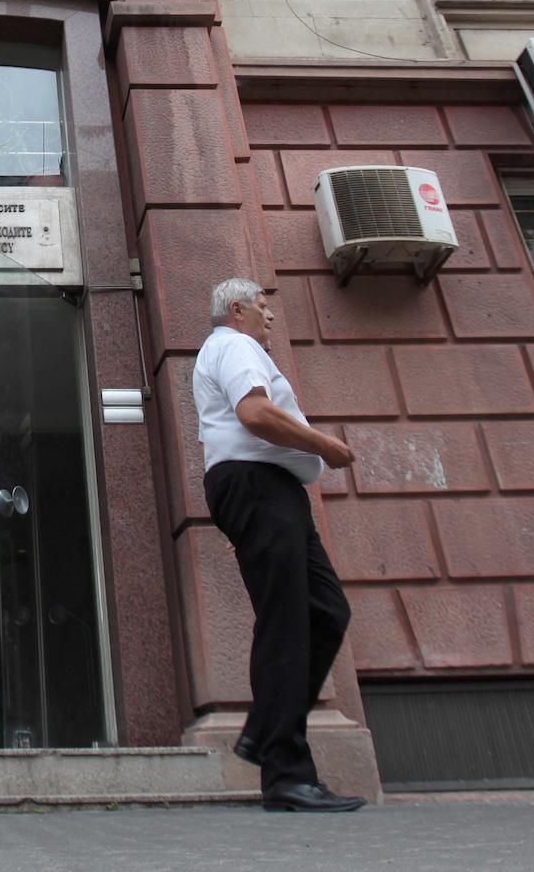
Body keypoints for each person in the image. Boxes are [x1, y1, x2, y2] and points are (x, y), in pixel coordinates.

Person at [194, 277, 365, 814]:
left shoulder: (231, 348)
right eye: (264, 308)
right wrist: (327, 447)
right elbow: (256, 415)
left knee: (325, 611)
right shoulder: (234, 344)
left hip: (267, 491)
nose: (271, 318)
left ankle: (266, 731)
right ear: (238, 309)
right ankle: (287, 773)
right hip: (258, 485)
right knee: (287, 619)